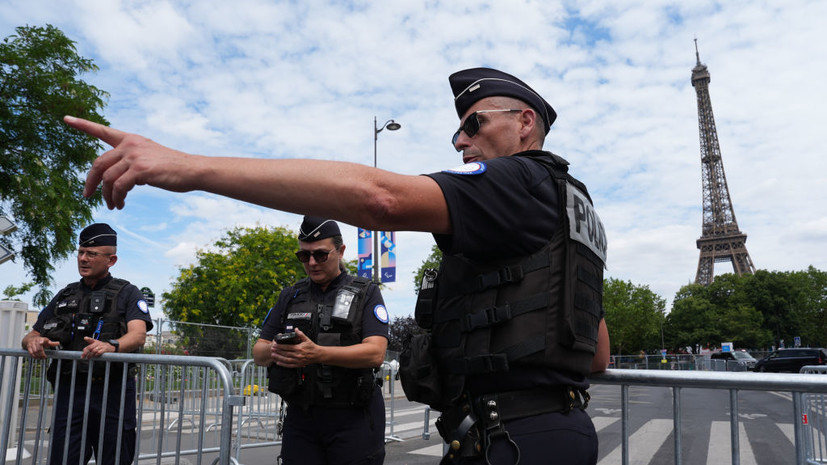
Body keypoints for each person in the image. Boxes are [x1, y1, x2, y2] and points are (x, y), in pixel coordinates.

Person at [65, 66, 611, 465]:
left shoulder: (519, 182)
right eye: (457, 131)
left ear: (525, 122)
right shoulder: (575, 209)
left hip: (509, 438)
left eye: (473, 122)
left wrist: (187, 167)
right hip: (549, 428)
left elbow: (381, 200)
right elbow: (595, 353)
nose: (461, 140)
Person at [252, 216, 389, 464]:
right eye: (304, 256)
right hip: (302, 420)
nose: (312, 263)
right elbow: (258, 351)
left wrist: (317, 354)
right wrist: (276, 349)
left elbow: (375, 353)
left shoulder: (366, 291)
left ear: (341, 251)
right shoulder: (290, 295)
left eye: (321, 255)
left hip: (353, 418)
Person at [21, 223, 153, 465]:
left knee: (115, 458)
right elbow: (29, 336)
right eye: (80, 252)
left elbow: (138, 335)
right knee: (62, 459)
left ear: (111, 260)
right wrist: (35, 341)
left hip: (112, 390)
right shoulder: (65, 294)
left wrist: (110, 346)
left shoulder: (128, 292)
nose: (83, 258)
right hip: (71, 391)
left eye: (91, 254)